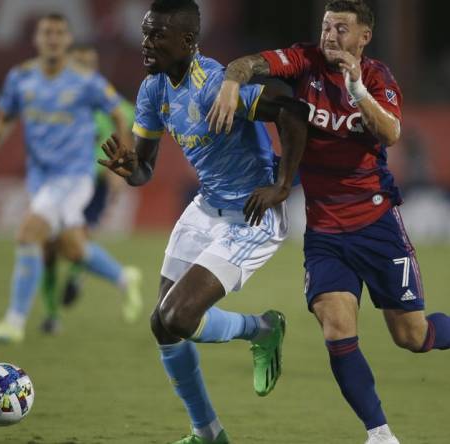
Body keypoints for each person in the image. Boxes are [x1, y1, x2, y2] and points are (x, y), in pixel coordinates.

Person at [207, 1, 450, 443]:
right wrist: (232, 82)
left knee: (412, 335)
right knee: (336, 327)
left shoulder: (379, 78)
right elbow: (247, 63)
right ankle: (379, 433)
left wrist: (357, 90)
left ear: (364, 37)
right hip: (325, 230)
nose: (330, 35)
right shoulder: (303, 61)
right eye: (326, 26)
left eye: (341, 28)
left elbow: (390, 134)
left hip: (376, 223)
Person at [99, 1, 308, 442]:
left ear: (189, 41)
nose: (147, 42)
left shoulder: (214, 85)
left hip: (251, 217)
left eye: (158, 35)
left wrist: (283, 185)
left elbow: (291, 110)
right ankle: (207, 433)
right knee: (162, 324)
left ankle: (262, 328)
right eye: (145, 33)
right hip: (205, 208)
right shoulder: (154, 89)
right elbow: (145, 170)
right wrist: (128, 168)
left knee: (176, 316)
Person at [0, 13, 142, 344]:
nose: (52, 38)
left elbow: (117, 113)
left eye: (59, 33)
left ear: (67, 40)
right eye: (46, 32)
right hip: (40, 176)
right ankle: (125, 277)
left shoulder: (86, 80)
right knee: (73, 248)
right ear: (37, 39)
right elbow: (7, 114)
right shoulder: (20, 77)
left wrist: (123, 155)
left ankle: (14, 321)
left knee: (29, 234)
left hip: (75, 176)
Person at [39, 44, 138, 334]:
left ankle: (99, 275)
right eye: (78, 62)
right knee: (48, 250)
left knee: (74, 240)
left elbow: (125, 140)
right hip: (60, 181)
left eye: (89, 63)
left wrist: (119, 175)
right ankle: (53, 312)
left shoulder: (114, 105)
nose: (84, 68)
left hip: (94, 182)